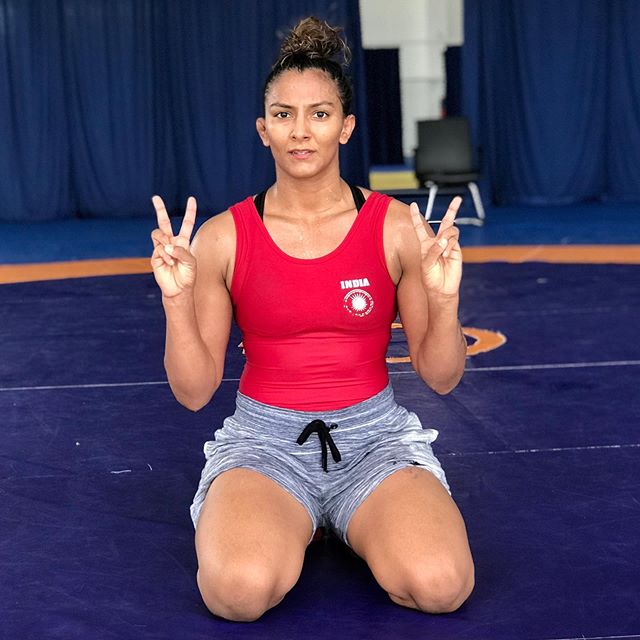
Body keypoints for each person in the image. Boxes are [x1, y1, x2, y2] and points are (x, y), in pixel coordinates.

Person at [150, 16, 474, 622]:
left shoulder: (397, 228)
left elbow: (442, 376)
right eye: (283, 115)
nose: (301, 131)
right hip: (265, 444)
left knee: (441, 585)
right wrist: (176, 301)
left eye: (319, 114)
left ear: (345, 126)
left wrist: (446, 299)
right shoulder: (222, 238)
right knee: (238, 594)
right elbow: (193, 393)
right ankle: (292, 519)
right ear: (263, 129)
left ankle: (352, 519)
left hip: (374, 442)